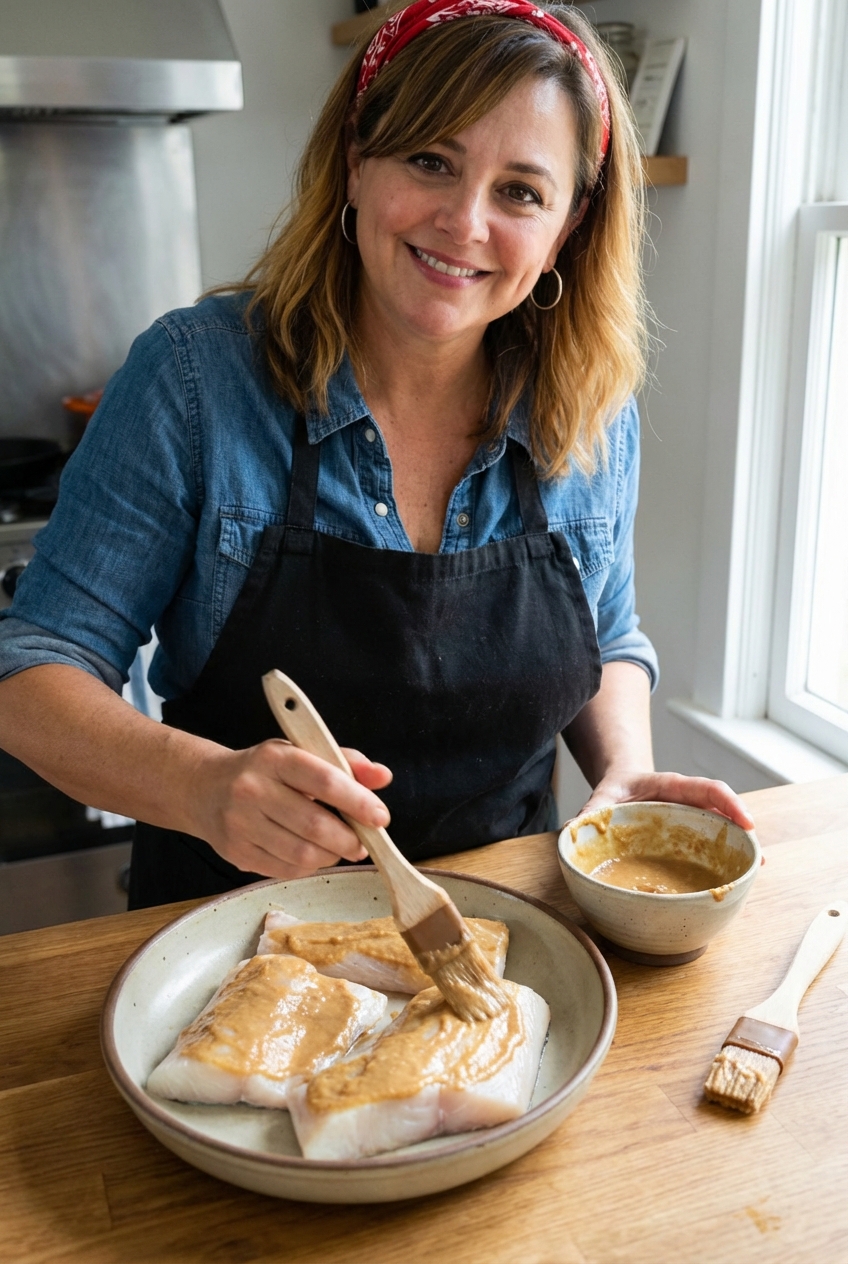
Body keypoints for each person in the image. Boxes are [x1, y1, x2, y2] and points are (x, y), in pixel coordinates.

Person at [0, 0, 753, 908]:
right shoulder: (196, 380)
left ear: (570, 225)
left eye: (521, 190)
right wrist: (199, 787)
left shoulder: (590, 408)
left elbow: (611, 633)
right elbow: (32, 669)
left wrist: (624, 775)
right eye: (431, 160)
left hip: (510, 941)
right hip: (232, 946)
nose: (464, 221)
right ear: (357, 160)